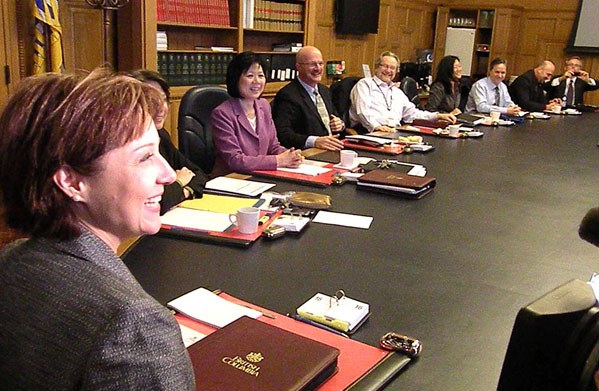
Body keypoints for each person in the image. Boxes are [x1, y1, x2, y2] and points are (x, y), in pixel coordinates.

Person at [0, 70, 195, 389]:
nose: (168, 174)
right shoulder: (135, 325)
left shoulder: (10, 259)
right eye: (145, 157)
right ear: (72, 182)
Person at [211, 51, 303, 176]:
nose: (257, 81)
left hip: (261, 176)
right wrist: (278, 160)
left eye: (261, 75)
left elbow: (273, 147)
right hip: (233, 179)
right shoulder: (222, 113)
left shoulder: (264, 105)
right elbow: (235, 160)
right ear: (235, 78)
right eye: (250, 76)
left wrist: (291, 155)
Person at [129, 69, 207, 215]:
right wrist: (179, 184)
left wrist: (184, 191)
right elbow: (151, 203)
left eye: (164, 99)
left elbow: (198, 174)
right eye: (151, 101)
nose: (162, 108)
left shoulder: (161, 136)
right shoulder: (128, 146)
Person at [349, 51, 456, 133]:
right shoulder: (365, 84)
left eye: (393, 68)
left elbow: (412, 114)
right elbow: (362, 112)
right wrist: (376, 127)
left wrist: (438, 116)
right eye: (385, 66)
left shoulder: (397, 92)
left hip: (394, 133)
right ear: (376, 67)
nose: (389, 71)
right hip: (369, 133)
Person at [272, 46, 345, 151]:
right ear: (298, 67)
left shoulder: (325, 91)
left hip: (333, 148)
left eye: (320, 63)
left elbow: (335, 117)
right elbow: (283, 134)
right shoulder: (287, 95)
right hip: (309, 153)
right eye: (312, 64)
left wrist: (340, 124)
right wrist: (314, 141)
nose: (318, 68)